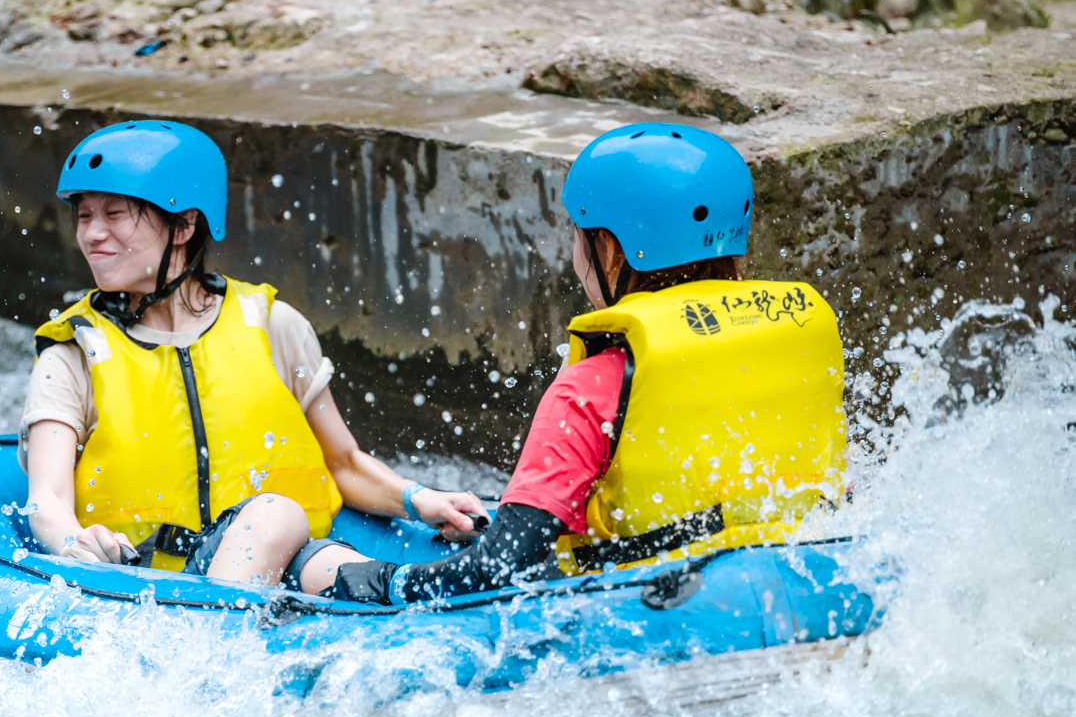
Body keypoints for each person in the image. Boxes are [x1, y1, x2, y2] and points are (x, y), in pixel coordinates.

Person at [334, 121, 847, 604]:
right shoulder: (792, 338)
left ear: (608, 249)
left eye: (579, 235)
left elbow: (501, 564)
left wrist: (385, 580)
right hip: (804, 578)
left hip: (655, 608)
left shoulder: (595, 384)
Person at [20, 120, 487, 593]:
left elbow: (342, 462)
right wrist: (77, 544)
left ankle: (416, 589)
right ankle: (214, 631)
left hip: (280, 555)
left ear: (183, 225)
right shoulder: (73, 352)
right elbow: (48, 499)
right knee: (277, 510)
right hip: (147, 580)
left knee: (335, 565)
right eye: (84, 216)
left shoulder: (272, 325)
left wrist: (420, 499)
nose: (93, 234)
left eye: (115, 214)